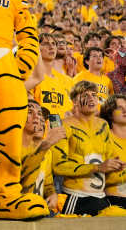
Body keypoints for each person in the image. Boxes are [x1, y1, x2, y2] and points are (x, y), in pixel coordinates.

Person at [51, 81, 126, 216]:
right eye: (86, 95)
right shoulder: (62, 125)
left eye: (94, 95)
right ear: (74, 101)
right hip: (77, 198)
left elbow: (111, 160)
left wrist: (118, 166)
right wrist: (97, 168)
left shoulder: (103, 125)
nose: (91, 98)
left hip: (101, 196)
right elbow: (58, 167)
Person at [19, 100, 64, 212]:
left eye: (40, 115)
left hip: (39, 211)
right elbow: (19, 178)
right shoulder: (11, 146)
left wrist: (53, 194)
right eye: (30, 112)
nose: (38, 118)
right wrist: (45, 146)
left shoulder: (47, 152)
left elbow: (48, 183)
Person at [99, 94, 126, 208]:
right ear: (109, 113)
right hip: (114, 200)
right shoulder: (103, 137)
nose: (125, 110)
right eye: (120, 108)